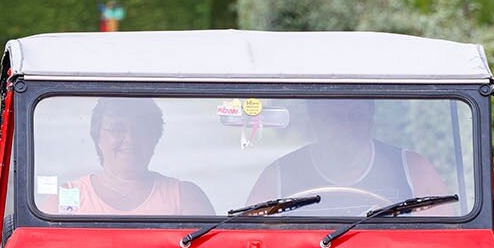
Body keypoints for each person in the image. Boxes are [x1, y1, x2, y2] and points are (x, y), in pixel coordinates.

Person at [244, 98, 454, 213]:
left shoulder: (412, 168)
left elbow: (445, 238)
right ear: (315, 122)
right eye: (332, 118)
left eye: (355, 116)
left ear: (370, 119)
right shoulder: (279, 175)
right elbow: (251, 238)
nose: (345, 128)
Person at [44, 97, 213, 216]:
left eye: (141, 130)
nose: (130, 140)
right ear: (97, 137)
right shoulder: (65, 199)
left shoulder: (184, 197)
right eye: (117, 129)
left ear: (154, 139)